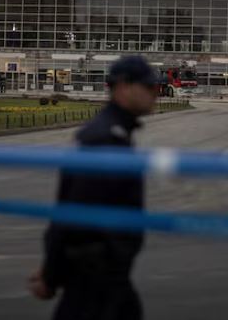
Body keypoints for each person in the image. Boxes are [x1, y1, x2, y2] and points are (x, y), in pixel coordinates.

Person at [29, 55, 159, 320]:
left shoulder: (114, 134)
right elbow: (69, 213)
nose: (155, 93)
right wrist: (51, 274)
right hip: (95, 279)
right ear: (123, 86)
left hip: (107, 277)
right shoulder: (103, 140)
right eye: (148, 87)